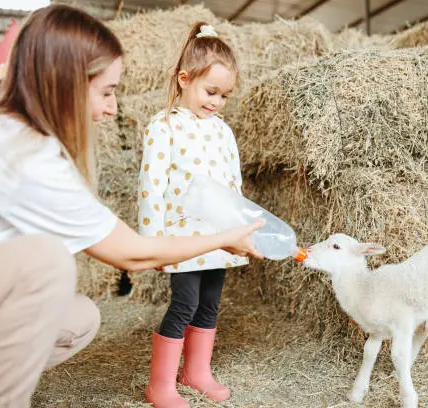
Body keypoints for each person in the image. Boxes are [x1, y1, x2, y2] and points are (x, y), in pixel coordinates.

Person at [0, 6, 262, 408]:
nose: (113, 108)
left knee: (79, 319)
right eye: (106, 91)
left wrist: (229, 230)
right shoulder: (28, 153)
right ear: (65, 83)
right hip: (184, 235)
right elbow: (132, 253)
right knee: (47, 262)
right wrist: (221, 238)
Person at [137, 22, 248, 408]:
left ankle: (196, 372)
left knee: (210, 303)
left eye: (224, 95)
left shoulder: (223, 132)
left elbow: (234, 187)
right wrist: (154, 244)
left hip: (219, 237)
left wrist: (241, 232)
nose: (217, 101)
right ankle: (160, 384)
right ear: (185, 79)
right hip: (182, 239)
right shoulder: (164, 126)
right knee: (184, 304)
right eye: (210, 91)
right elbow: (150, 186)